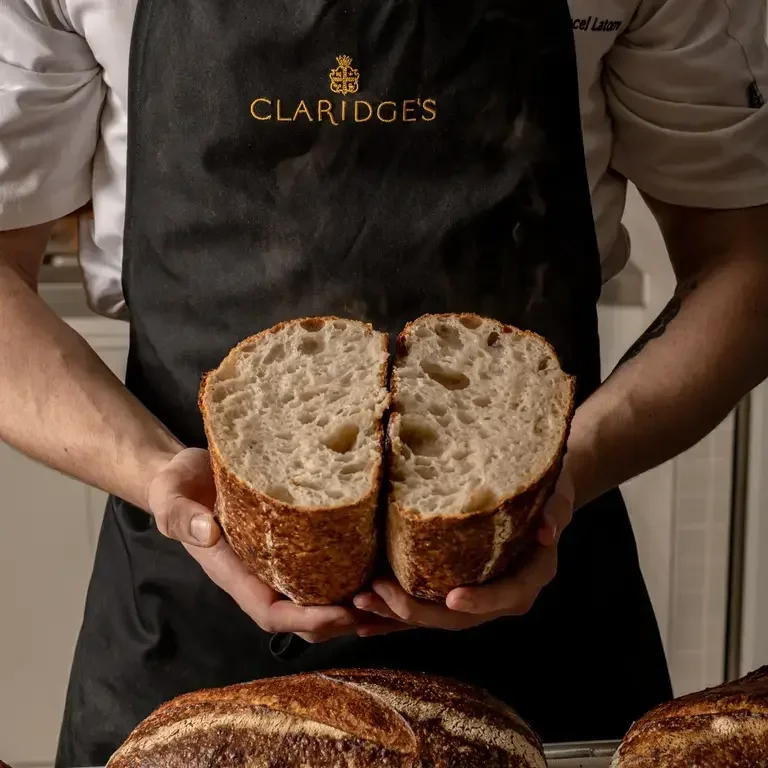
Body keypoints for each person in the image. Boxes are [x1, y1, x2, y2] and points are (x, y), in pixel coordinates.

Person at [0, 0, 766, 765]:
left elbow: (746, 257)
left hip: (540, 574)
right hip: (184, 607)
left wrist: (574, 471)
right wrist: (156, 474)